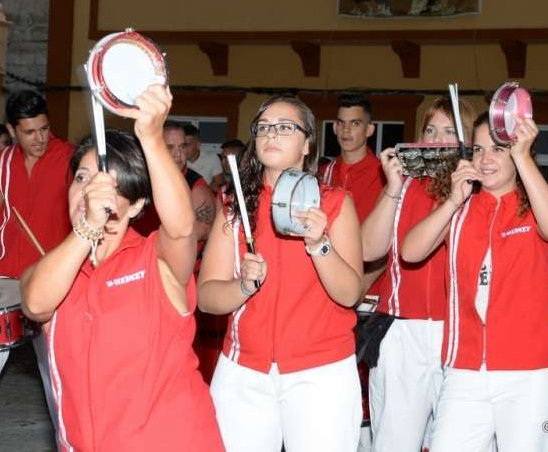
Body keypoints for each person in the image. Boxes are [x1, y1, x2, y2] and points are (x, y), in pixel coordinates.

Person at [21, 85, 224, 451]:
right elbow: (36, 304)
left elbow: (182, 228)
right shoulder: (55, 270)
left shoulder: (155, 260)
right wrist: (87, 228)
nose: (90, 191)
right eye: (82, 178)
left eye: (111, 184)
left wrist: (152, 138)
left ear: (137, 204)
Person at [198, 95, 364, 452]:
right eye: (264, 128)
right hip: (244, 371)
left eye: (286, 127)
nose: (272, 134)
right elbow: (207, 298)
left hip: (321, 371)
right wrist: (243, 286)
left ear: (307, 144)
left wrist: (319, 243)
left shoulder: (335, 203)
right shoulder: (234, 206)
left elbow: (350, 294)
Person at [402, 112, 548, 452]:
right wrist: (452, 200)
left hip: (527, 372)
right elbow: (411, 252)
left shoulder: (533, 204)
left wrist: (523, 157)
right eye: (478, 149)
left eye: (498, 149)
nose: (485, 159)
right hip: (464, 369)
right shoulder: (461, 209)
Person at [0, 90, 74, 452]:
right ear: (11, 130)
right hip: (3, 280)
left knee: (58, 374)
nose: (39, 138)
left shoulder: (70, 159)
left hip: (52, 282)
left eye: (44, 128)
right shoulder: (2, 162)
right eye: (29, 132)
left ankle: (72, 443)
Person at [360, 96, 474, 452]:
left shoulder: (478, 188)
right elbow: (368, 250)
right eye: (430, 130)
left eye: (449, 131)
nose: (437, 139)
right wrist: (392, 188)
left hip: (459, 330)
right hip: (402, 329)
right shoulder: (406, 183)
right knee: (394, 441)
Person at [133, 121, 215, 241]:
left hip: (167, 251)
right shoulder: (141, 177)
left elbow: (204, 230)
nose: (178, 154)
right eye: (170, 147)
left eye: (182, 146)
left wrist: (155, 246)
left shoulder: (196, 185)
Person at [320, 93, 385, 222]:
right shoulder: (322, 174)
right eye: (341, 123)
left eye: (355, 123)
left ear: (369, 130)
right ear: (335, 127)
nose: (346, 130)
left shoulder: (385, 177)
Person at [185, 123, 224, 189]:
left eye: (188, 144)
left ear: (198, 145)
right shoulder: (177, 160)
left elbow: (220, 184)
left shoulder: (212, 158)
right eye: (183, 144)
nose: (184, 148)